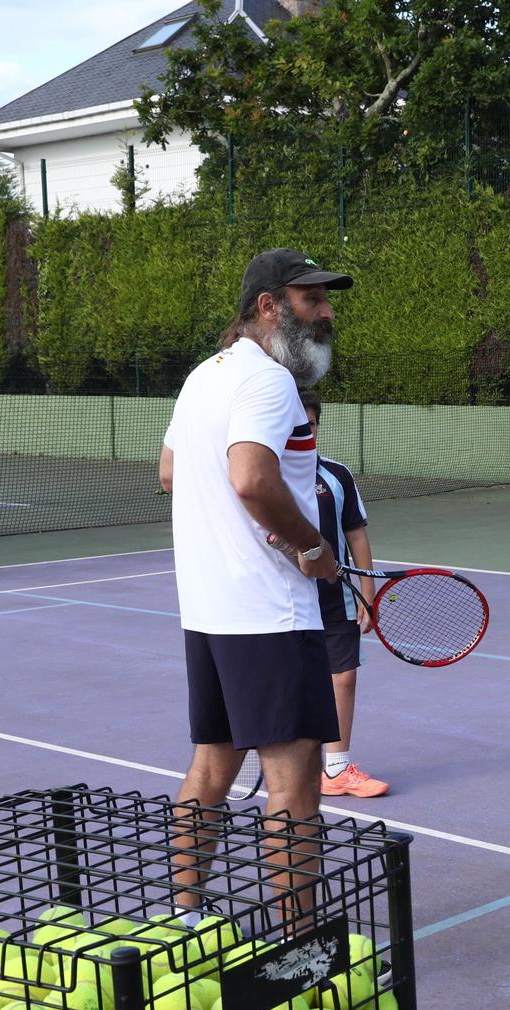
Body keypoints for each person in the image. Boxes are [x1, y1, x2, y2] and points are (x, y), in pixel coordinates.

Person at [161, 248, 351, 918]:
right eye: (312, 300)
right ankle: (301, 945)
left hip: (209, 614)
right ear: (267, 306)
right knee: (295, 783)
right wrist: (310, 544)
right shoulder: (270, 383)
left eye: (327, 300)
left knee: (210, 770)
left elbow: (171, 472)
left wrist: (247, 527)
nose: (327, 313)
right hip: (271, 615)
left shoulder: (203, 377)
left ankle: (183, 922)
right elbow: (250, 478)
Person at [299, 387, 389, 799]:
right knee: (289, 682)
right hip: (282, 604)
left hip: (336, 599)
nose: (304, 431)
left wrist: (368, 594)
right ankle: (291, 763)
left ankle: (335, 769)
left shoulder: (337, 476)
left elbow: (357, 535)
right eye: (295, 425)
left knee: (344, 678)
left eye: (310, 424)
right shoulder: (266, 476)